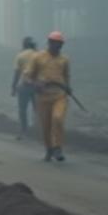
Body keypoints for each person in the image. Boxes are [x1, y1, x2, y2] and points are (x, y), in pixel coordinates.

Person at [26, 31, 71, 162]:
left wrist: (68, 87)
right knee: (46, 126)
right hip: (42, 97)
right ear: (49, 43)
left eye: (60, 44)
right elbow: (27, 76)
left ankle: (57, 147)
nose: (57, 47)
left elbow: (67, 76)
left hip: (59, 95)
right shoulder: (38, 57)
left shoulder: (64, 60)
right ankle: (49, 149)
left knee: (57, 118)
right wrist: (35, 83)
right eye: (55, 44)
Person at [10, 36, 38, 139]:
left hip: (24, 86)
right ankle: (39, 131)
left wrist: (13, 87)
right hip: (38, 86)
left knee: (22, 110)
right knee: (38, 110)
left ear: (24, 45)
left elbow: (17, 73)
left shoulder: (20, 56)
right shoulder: (39, 55)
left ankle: (24, 132)